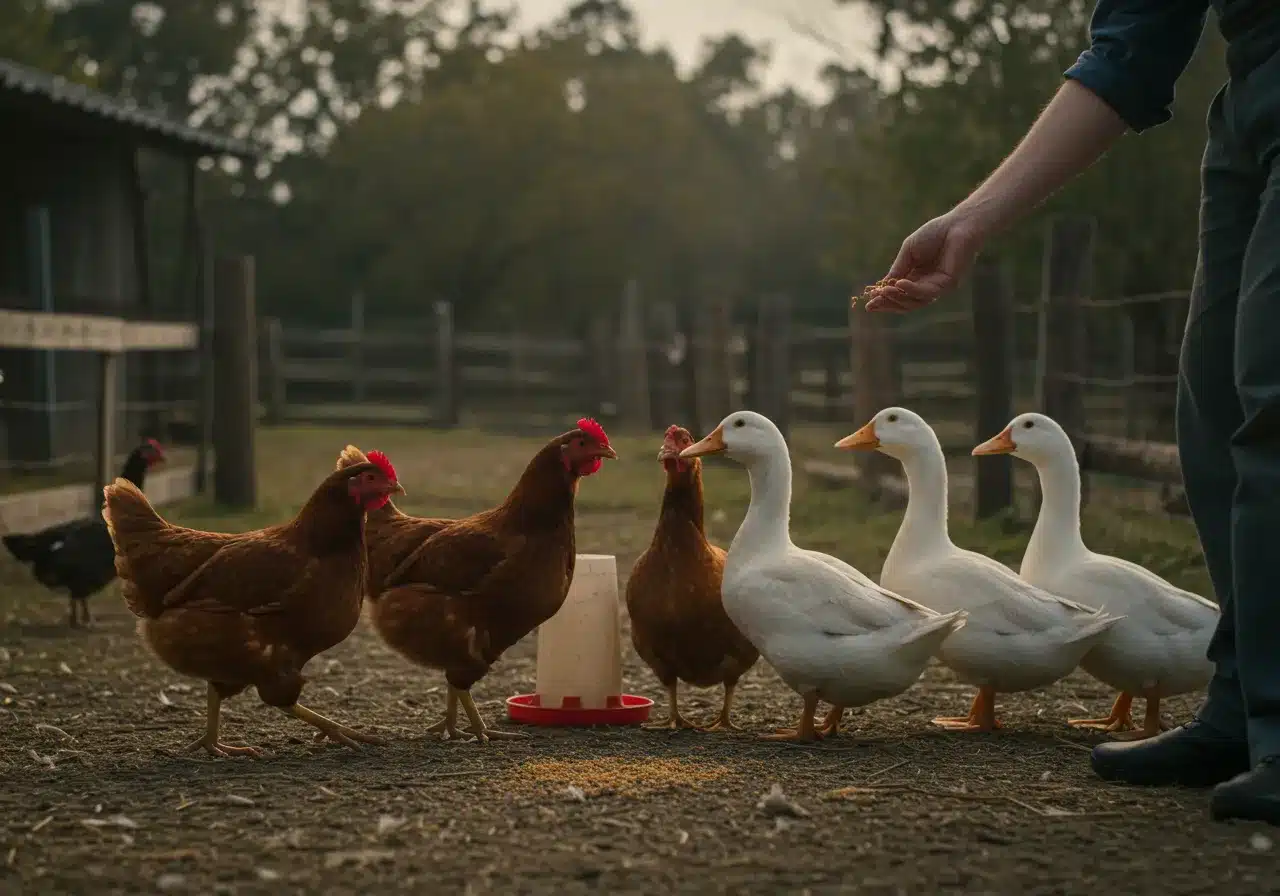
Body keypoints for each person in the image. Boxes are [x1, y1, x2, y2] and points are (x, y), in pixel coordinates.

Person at [862, 0, 1280, 825]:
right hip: (1250, 101)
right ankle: (1247, 705)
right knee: (1213, 409)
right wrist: (975, 219)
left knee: (1273, 402)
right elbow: (1133, 44)